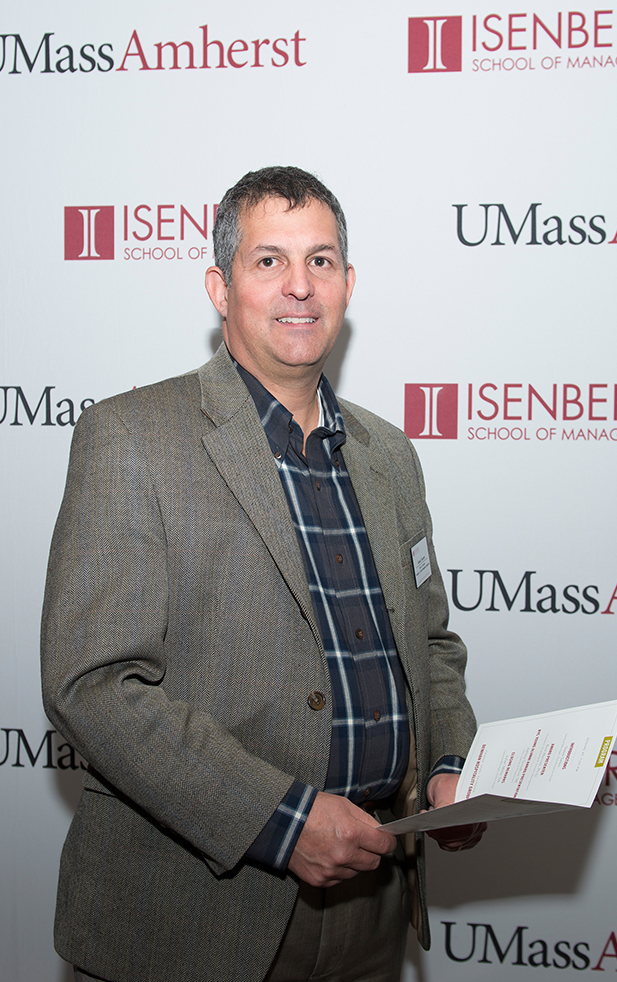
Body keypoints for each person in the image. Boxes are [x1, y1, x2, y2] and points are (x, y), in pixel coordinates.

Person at [40, 166, 482, 982]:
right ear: (220, 287)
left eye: (320, 261)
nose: (299, 287)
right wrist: (281, 821)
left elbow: (430, 645)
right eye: (269, 260)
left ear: (349, 284)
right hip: (197, 914)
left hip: (376, 898)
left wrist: (451, 766)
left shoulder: (390, 455)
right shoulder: (131, 438)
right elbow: (94, 687)